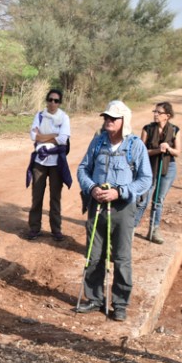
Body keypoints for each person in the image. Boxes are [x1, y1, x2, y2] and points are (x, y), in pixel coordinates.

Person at [76, 100, 152, 322]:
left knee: (121, 256)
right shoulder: (98, 142)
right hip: (97, 205)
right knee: (94, 253)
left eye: (113, 118)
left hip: (122, 207)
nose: (108, 121)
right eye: (106, 117)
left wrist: (120, 192)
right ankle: (94, 299)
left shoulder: (135, 146)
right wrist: (91, 187)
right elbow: (83, 169)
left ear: (123, 121)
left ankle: (119, 303)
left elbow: (145, 179)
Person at [133, 102, 182, 244]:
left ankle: (154, 230)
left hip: (169, 167)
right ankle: (131, 228)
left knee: (158, 200)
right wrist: (157, 151)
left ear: (167, 116)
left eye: (159, 112)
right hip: (148, 167)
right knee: (143, 199)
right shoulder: (147, 129)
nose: (155, 114)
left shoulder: (175, 130)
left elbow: (177, 152)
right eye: (155, 111)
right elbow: (140, 153)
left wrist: (168, 148)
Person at [27, 88, 72, 241]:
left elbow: (63, 139)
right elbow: (33, 136)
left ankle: (56, 229)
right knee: (37, 196)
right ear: (47, 100)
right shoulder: (39, 116)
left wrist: (42, 137)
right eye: (50, 99)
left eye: (56, 100)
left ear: (59, 103)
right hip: (40, 161)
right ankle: (34, 228)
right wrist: (53, 135)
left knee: (55, 197)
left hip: (56, 162)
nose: (53, 103)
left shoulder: (64, 118)